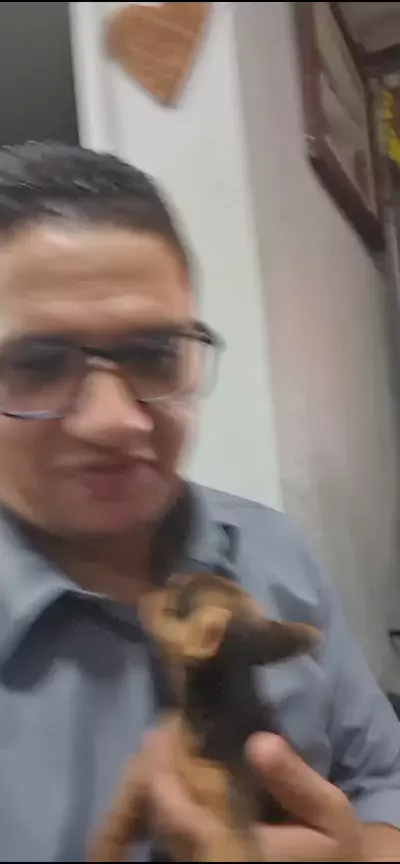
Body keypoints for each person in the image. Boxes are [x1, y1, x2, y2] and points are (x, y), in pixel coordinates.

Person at [0, 142, 398, 863]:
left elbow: (384, 785)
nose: (115, 420)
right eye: (38, 363)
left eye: (154, 354)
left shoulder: (276, 554)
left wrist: (359, 855)